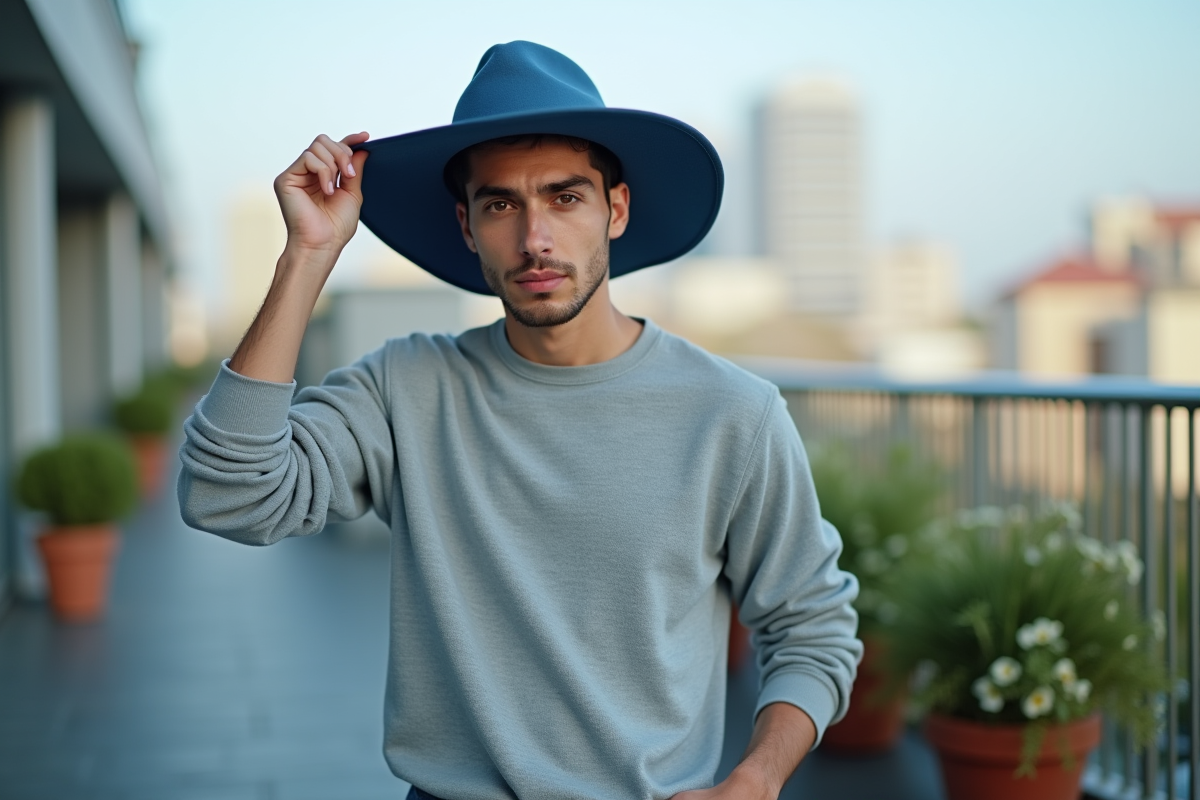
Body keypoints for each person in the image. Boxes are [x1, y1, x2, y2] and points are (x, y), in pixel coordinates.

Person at [179, 41, 860, 800]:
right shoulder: (407, 386)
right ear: (467, 228)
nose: (534, 238)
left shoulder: (733, 412)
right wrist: (306, 255)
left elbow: (811, 624)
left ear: (617, 210)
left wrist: (757, 780)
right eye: (500, 204)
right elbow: (228, 496)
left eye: (565, 197)